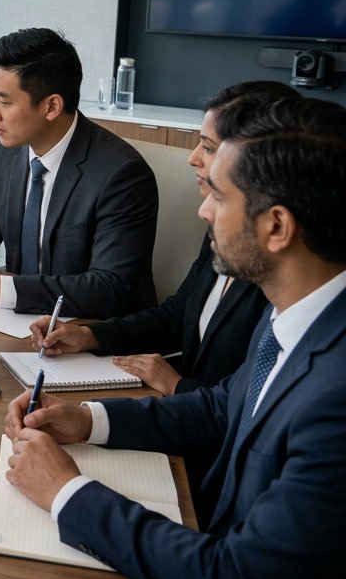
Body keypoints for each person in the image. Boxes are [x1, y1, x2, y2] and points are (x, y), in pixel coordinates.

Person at [4, 96, 346, 578]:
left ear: (276, 227)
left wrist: (64, 491)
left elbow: (232, 570)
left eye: (221, 197)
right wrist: (86, 420)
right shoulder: (292, 314)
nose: (204, 211)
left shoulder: (335, 398)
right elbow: (221, 407)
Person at [30, 80, 297, 395]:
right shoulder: (220, 223)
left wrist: (178, 385)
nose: (193, 158)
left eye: (208, 147)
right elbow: (176, 317)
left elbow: (249, 404)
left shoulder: (278, 267)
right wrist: (89, 335)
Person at [0, 28, 158, 318]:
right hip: (22, 321)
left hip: (93, 331)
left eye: (5, 101)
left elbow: (111, 287)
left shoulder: (122, 175)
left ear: (51, 106)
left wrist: (1, 290)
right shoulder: (8, 151)